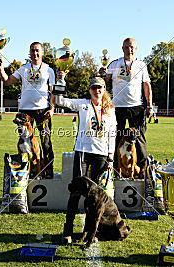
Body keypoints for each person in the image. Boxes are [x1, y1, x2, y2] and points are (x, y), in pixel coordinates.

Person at [59, 76, 116, 245]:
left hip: (101, 155)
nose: (97, 91)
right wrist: (62, 80)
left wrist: (111, 158)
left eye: (99, 88)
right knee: (75, 193)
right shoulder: (83, 104)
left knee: (93, 197)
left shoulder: (110, 110)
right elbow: (61, 101)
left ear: (104, 89)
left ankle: (87, 232)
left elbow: (112, 134)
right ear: (89, 90)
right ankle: (67, 231)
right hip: (83, 152)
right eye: (93, 88)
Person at [0, 42, 55, 179]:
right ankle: (26, 169)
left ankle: (48, 169)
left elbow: (53, 93)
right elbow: (7, 81)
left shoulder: (48, 70)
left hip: (43, 110)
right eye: (32, 51)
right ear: (29, 52)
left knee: (46, 142)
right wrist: (0, 68)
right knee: (24, 143)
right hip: (25, 111)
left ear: (42, 52)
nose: (35, 53)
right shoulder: (24, 69)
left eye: (37, 51)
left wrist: (52, 109)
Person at [100, 37, 153, 173]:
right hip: (118, 107)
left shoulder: (141, 65)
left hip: (137, 106)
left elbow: (146, 86)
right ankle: (115, 168)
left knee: (139, 137)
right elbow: (105, 82)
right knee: (116, 136)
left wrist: (149, 105)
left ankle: (142, 169)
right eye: (126, 47)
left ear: (136, 49)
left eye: (132, 47)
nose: (129, 49)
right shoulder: (114, 64)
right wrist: (103, 74)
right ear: (122, 48)